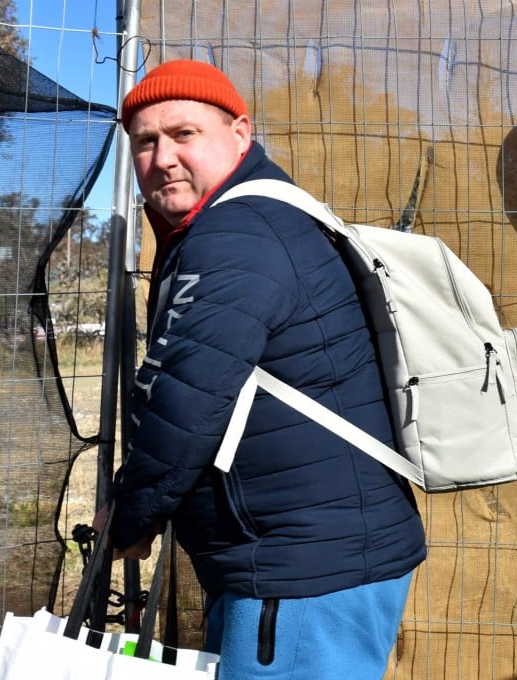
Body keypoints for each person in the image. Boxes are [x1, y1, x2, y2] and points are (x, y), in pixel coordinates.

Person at [108, 58, 427, 679]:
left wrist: (131, 515)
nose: (164, 157)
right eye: (145, 141)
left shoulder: (238, 235)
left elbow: (186, 399)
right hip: (306, 557)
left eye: (183, 134)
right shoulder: (246, 221)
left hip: (301, 571)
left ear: (240, 133)